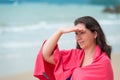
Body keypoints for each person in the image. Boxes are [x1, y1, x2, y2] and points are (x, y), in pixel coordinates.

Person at [34, 16, 114, 80]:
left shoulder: (103, 62)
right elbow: (45, 55)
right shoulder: (75, 55)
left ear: (95, 34)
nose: (78, 37)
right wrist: (60, 31)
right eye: (76, 33)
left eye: (82, 33)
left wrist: (77, 73)